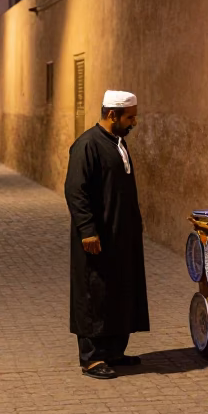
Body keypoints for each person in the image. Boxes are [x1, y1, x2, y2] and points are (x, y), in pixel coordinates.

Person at [64, 90, 149, 379]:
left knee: (118, 290)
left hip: (121, 237)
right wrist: (88, 230)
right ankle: (91, 358)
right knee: (94, 293)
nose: (134, 122)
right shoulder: (86, 145)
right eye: (130, 117)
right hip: (96, 237)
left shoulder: (119, 143)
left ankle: (114, 351)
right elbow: (76, 192)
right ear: (112, 115)